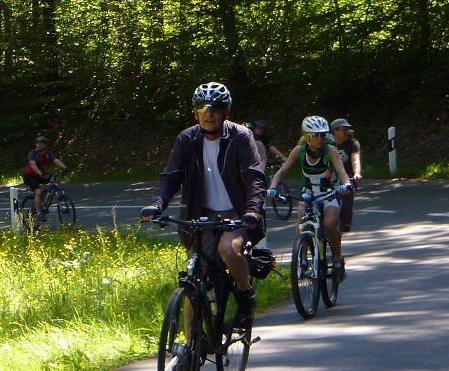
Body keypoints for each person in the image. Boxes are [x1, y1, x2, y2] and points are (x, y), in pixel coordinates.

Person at [140, 81, 266, 333]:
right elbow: (171, 176)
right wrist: (157, 203)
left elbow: (254, 177)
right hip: (201, 215)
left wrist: (252, 210)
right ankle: (189, 348)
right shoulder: (187, 139)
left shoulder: (241, 137)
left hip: (237, 214)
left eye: (215, 107)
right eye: (202, 107)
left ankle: (245, 296)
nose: (208, 113)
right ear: (194, 112)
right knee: (194, 278)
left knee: (228, 250)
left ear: (226, 112)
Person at [267, 115, 353, 279]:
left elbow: (342, 172)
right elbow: (281, 172)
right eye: (315, 135)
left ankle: (337, 258)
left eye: (322, 135)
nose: (320, 138)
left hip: (329, 193)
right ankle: (303, 259)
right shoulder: (298, 151)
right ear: (306, 136)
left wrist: (346, 184)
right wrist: (272, 188)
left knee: (329, 224)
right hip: (308, 194)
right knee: (302, 223)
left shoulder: (330, 151)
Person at [23, 136, 69, 221]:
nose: (39, 145)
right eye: (38, 143)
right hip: (30, 176)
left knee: (54, 180)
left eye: (41, 143)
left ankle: (45, 200)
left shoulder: (47, 154)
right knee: (38, 192)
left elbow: (55, 160)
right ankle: (39, 212)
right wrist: (39, 172)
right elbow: (33, 165)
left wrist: (65, 168)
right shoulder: (33, 153)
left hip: (40, 175)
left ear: (44, 145)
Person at [330, 118, 362, 232]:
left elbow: (355, 159)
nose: (346, 132)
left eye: (347, 129)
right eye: (343, 129)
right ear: (334, 131)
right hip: (330, 174)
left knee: (347, 193)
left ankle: (345, 223)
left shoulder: (352, 143)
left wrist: (357, 173)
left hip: (346, 175)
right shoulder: (327, 144)